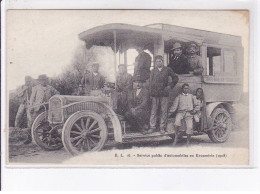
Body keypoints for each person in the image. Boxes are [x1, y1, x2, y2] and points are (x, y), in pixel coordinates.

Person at [149, 55, 179, 134]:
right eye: (157, 61)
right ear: (155, 63)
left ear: (163, 61)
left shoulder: (167, 69)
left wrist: (170, 86)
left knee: (163, 111)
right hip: (155, 94)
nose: (158, 63)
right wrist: (150, 93)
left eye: (160, 61)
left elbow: (176, 78)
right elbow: (150, 83)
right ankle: (152, 127)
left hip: (164, 93)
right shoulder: (153, 71)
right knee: (153, 111)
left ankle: (162, 128)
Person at [26, 74, 60, 144]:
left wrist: (53, 100)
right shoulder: (35, 88)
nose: (43, 82)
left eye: (44, 80)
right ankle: (29, 139)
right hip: (38, 108)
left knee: (48, 123)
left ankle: (45, 139)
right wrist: (31, 107)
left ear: (46, 81)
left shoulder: (50, 88)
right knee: (32, 123)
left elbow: (58, 94)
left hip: (47, 109)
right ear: (39, 81)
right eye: (41, 81)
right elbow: (32, 99)